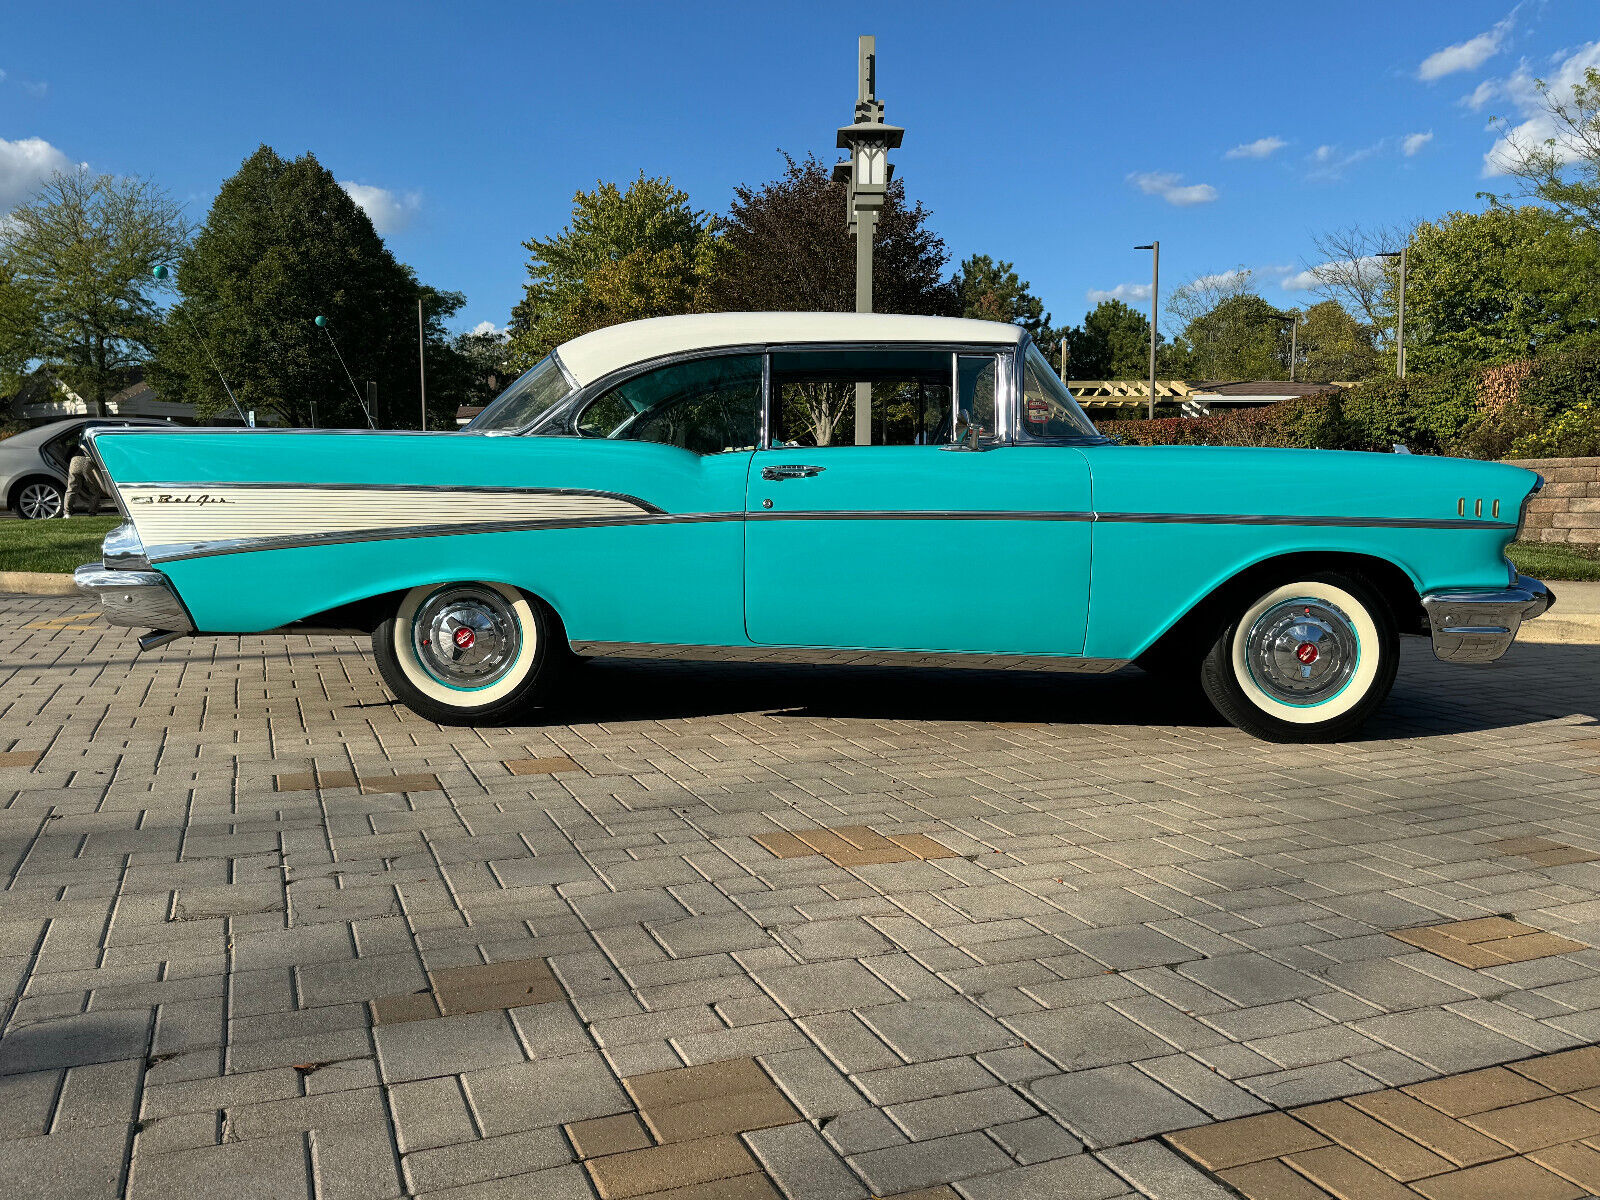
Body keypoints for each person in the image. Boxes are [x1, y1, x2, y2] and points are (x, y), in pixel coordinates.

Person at [61, 436, 107, 518]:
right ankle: (92, 512)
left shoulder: (76, 446)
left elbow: (66, 458)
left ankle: (67, 513)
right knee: (94, 489)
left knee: (71, 489)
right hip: (87, 461)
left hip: (74, 461)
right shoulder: (95, 443)